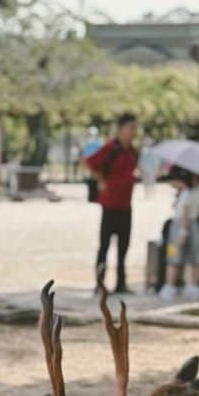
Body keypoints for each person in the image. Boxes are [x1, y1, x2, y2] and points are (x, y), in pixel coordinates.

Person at [84, 113, 140, 295]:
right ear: (121, 129)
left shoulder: (132, 151)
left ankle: (121, 283)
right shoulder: (111, 148)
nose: (133, 132)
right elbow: (89, 163)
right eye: (130, 128)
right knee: (105, 245)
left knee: (124, 246)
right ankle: (99, 283)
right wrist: (100, 179)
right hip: (110, 205)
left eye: (135, 129)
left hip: (126, 205)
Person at [158, 165, 199, 302]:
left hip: (180, 226)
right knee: (194, 258)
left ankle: (169, 286)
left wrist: (183, 231)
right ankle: (193, 286)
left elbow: (185, 212)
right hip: (194, 224)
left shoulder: (187, 193)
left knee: (173, 257)